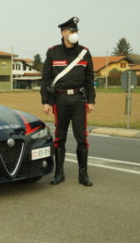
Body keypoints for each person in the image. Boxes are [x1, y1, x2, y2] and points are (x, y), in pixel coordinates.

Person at [40, 17, 95, 187]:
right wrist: (46, 102)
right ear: (63, 33)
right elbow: (46, 79)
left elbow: (89, 79)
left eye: (76, 31)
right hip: (60, 100)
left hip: (79, 99)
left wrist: (91, 100)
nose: (74, 34)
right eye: (71, 31)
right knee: (60, 138)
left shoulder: (84, 53)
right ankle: (59, 173)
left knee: (82, 137)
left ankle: (83, 174)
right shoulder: (53, 52)